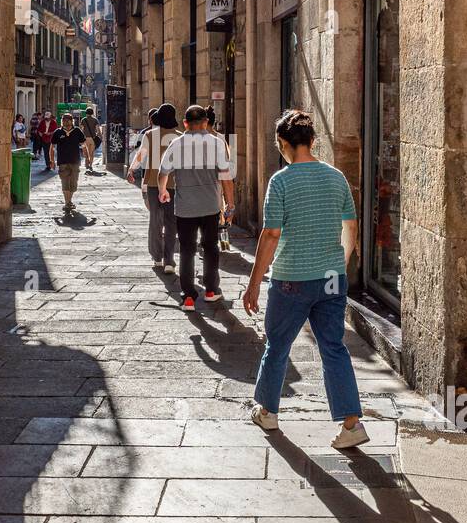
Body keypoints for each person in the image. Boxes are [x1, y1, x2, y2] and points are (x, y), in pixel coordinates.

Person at [242, 108, 368, 451]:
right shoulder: (336, 177)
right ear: (313, 141)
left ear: (282, 144)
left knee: (278, 346)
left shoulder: (281, 181)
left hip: (291, 279)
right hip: (330, 278)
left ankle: (267, 411)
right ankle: (351, 423)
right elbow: (351, 227)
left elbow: (270, 235)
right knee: (334, 348)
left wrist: (253, 283)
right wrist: (338, 264)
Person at [158, 103, 234, 309]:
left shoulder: (175, 144)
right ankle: (210, 290)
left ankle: (188, 296)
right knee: (210, 248)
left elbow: (163, 173)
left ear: (185, 124)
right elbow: (226, 178)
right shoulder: (217, 144)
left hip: (184, 208)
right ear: (206, 123)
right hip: (210, 207)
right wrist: (231, 205)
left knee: (187, 250)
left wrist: (163, 191)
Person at [129, 103, 181, 272]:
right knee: (171, 223)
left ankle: (157, 258)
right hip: (174, 184)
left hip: (153, 184)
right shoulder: (181, 136)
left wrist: (131, 169)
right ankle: (169, 261)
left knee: (155, 220)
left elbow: (141, 155)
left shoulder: (150, 135)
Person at [49, 112, 86, 213]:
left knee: (73, 184)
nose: (66, 121)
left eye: (68, 120)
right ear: (62, 121)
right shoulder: (58, 132)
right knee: (65, 182)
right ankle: (67, 203)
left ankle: (69, 201)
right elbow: (52, 147)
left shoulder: (77, 131)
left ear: (72, 121)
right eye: (64, 120)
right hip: (62, 162)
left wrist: (86, 156)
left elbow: (83, 145)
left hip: (75, 161)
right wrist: (51, 160)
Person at [81, 107, 102, 173]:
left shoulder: (83, 120)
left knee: (85, 152)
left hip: (85, 138)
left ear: (86, 113)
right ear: (92, 113)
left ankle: (86, 164)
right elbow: (98, 130)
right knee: (91, 153)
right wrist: (100, 136)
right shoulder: (95, 120)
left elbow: (81, 129)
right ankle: (90, 165)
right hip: (92, 139)